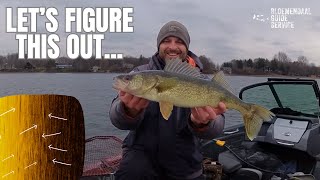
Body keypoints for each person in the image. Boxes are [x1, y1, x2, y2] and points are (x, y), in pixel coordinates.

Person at [109, 20, 226, 180]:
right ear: (159, 46)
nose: (172, 46)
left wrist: (204, 124)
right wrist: (127, 111)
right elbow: (116, 118)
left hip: (185, 163)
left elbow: (217, 127)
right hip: (140, 163)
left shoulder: (202, 80)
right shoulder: (140, 72)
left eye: (179, 41)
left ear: (187, 47)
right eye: (166, 41)